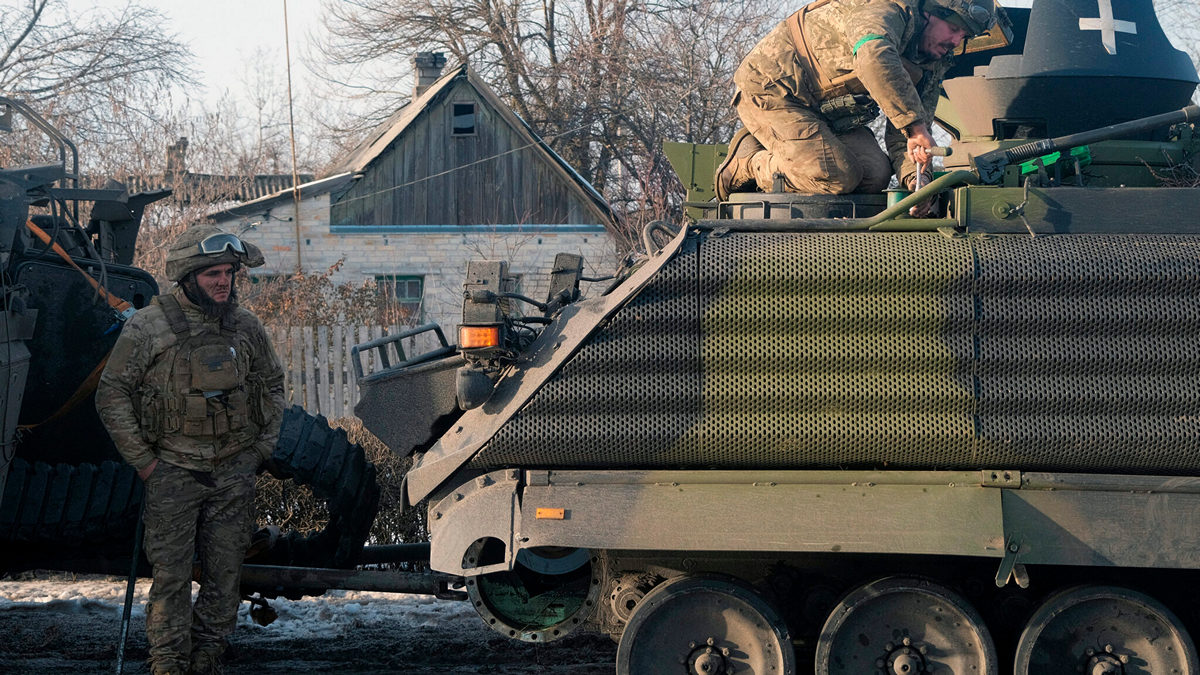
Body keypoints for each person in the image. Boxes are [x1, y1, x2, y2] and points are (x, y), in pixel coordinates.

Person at [96, 224, 286, 675]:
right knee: (171, 580)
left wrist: (259, 450)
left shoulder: (246, 327)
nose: (223, 282)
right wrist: (145, 463)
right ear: (187, 277)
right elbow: (112, 393)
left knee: (225, 577)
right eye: (211, 274)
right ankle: (167, 663)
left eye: (228, 273)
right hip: (173, 472)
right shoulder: (149, 326)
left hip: (233, 472)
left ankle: (208, 658)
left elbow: (272, 385)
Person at [716, 0, 996, 208]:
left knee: (875, 175)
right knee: (835, 176)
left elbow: (910, 139)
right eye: (954, 28)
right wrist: (914, 126)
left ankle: (791, 151)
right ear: (930, 12)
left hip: (828, 113)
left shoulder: (932, 62)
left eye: (964, 36)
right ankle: (747, 161)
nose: (956, 41)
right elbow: (873, 55)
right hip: (774, 90)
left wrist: (917, 185)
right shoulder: (888, 8)